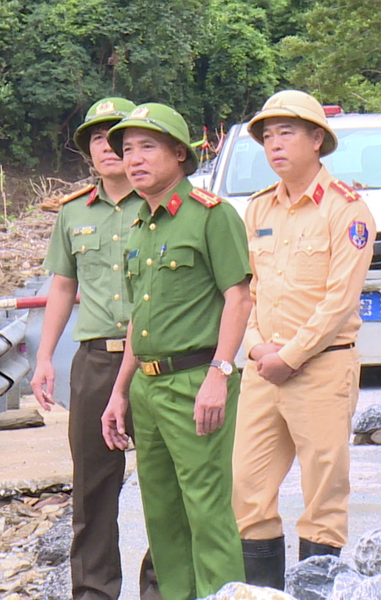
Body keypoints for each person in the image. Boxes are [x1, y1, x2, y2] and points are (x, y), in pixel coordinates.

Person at [100, 102, 252, 600]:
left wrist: (219, 372)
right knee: (161, 514)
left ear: (179, 155)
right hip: (147, 385)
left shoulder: (212, 216)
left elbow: (239, 297)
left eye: (147, 147)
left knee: (207, 510)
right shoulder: (140, 225)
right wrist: (120, 391)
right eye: (126, 151)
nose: (134, 159)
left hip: (195, 381)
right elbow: (138, 322)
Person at [232, 90, 377, 589]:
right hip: (262, 369)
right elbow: (249, 291)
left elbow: (338, 303)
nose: (275, 144)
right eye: (267, 136)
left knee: (322, 499)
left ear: (318, 139)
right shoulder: (256, 210)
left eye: (287, 132)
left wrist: (289, 356)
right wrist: (254, 349)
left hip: (321, 368)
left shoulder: (347, 210)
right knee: (248, 494)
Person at [29, 97, 159, 600]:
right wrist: (44, 358)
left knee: (162, 485)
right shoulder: (73, 213)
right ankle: (93, 591)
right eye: (98, 138)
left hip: (154, 362)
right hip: (96, 362)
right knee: (93, 486)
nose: (108, 147)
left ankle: (160, 587)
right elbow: (62, 286)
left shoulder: (160, 206)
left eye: (118, 137)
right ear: (89, 150)